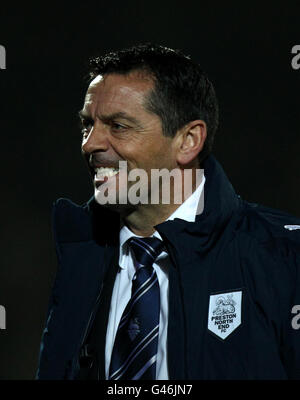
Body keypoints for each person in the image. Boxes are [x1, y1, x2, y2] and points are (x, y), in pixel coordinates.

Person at [36, 43, 300, 380]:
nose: (90, 144)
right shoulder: (80, 257)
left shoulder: (283, 256)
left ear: (188, 141)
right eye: (87, 124)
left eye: (118, 126)